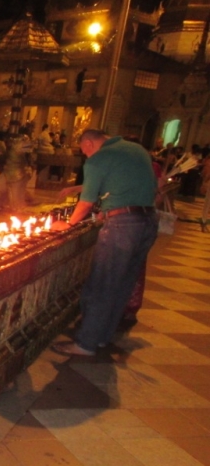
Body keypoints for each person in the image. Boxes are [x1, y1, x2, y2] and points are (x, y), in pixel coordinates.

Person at [50, 129, 158, 356]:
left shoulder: (98, 159)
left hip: (123, 227)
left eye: (84, 151)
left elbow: (86, 204)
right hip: (148, 222)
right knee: (122, 284)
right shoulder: (135, 149)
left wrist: (68, 225)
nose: (86, 156)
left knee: (102, 285)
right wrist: (80, 188)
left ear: (88, 143)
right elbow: (123, 182)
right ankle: (100, 337)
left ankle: (85, 343)